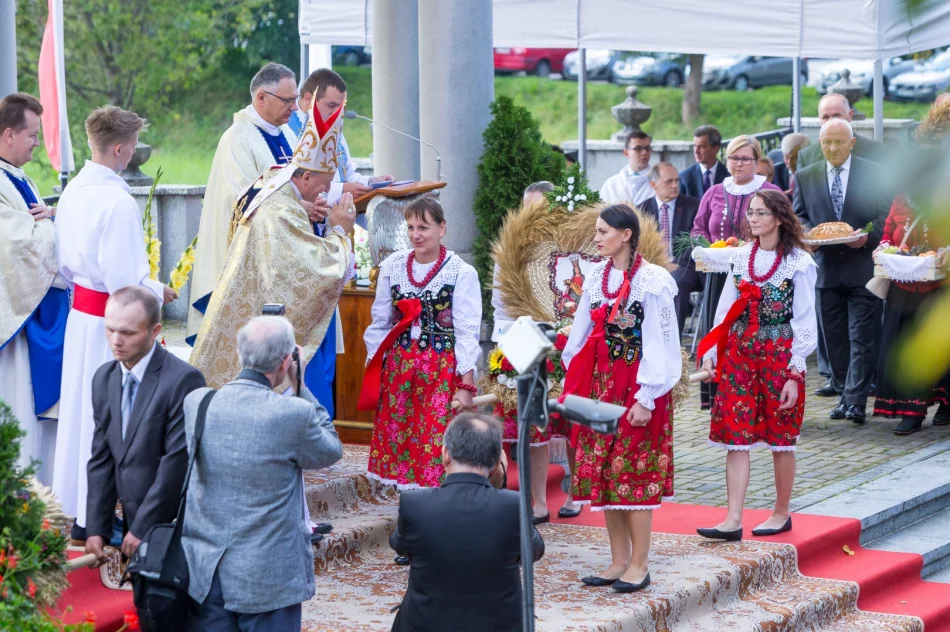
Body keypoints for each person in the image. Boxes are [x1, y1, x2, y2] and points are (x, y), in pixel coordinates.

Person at [54, 106, 173, 541]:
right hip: (112, 322)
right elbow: (124, 281)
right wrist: (159, 292)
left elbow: (66, 267)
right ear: (121, 148)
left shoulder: (73, 190)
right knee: (112, 417)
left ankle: (80, 509)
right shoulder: (117, 200)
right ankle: (98, 516)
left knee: (82, 414)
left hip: (82, 316)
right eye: (134, 146)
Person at [183, 316, 343, 632]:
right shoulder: (292, 413)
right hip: (267, 576)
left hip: (206, 569)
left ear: (241, 355)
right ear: (287, 362)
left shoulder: (197, 403)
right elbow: (331, 449)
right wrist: (300, 386)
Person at [189, 96, 355, 390]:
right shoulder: (279, 210)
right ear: (304, 176)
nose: (326, 190)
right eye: (324, 183)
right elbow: (313, 269)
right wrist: (340, 232)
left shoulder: (275, 183)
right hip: (263, 320)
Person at [561, 204, 681, 593]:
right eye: (596, 231)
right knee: (606, 473)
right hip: (600, 385)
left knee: (633, 474)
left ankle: (640, 564)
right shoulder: (596, 277)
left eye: (602, 231)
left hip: (637, 388)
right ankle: (617, 559)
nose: (596, 238)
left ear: (625, 234)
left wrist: (647, 396)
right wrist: (573, 374)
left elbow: (663, 343)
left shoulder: (653, 280)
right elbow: (581, 330)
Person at [697, 190, 817, 541]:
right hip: (740, 351)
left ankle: (781, 513)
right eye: (750, 212)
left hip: (780, 353)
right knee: (736, 434)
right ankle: (733, 518)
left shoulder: (798, 262)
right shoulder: (740, 257)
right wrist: (713, 350)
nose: (752, 218)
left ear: (779, 218)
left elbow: (806, 320)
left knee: (782, 437)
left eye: (761, 212)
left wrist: (796, 372)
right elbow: (725, 307)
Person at [84, 288, 205, 597]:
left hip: (171, 526)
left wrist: (144, 528)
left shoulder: (182, 380)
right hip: (130, 525)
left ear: (155, 331)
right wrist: (96, 528)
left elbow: (175, 463)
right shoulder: (104, 378)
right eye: (110, 329)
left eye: (127, 332)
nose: (115, 340)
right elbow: (102, 459)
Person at [360, 197, 482, 489]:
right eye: (412, 227)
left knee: (434, 439)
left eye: (424, 227)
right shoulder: (393, 266)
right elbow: (380, 322)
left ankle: (437, 508)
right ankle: (409, 505)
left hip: (440, 369)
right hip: (400, 368)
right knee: (401, 438)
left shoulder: (461, 272)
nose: (416, 234)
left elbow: (467, 330)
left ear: (442, 228)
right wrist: (376, 364)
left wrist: (466, 384)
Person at [389, 413, 542, 632]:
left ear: (446, 455)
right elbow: (534, 552)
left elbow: (401, 546)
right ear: (496, 463)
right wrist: (500, 485)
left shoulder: (415, 503)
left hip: (426, 624)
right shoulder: (513, 505)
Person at [187, 62, 300, 344]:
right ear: (261, 97)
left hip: (281, 257)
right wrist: (301, 208)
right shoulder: (236, 140)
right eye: (288, 100)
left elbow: (299, 183)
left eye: (296, 99)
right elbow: (243, 202)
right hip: (248, 263)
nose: (295, 108)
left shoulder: (287, 134)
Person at [493, 181, 580, 522]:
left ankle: (576, 491)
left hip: (569, 341)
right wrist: (506, 352)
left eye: (543, 209)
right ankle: (539, 502)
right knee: (534, 427)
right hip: (526, 340)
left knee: (572, 420)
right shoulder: (510, 253)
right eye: (530, 209)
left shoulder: (574, 248)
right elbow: (500, 309)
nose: (536, 217)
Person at [793, 119, 890, 424]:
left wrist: (867, 238)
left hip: (861, 268)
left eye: (839, 142)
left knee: (862, 337)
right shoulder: (805, 176)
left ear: (852, 143)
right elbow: (798, 215)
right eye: (827, 143)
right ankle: (844, 394)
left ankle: (855, 402)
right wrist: (808, 236)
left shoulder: (873, 173)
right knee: (835, 341)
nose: (833, 148)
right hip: (824, 271)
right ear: (820, 144)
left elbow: (883, 215)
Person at [0, 93, 67, 484]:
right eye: (32, 135)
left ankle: (35, 483)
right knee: (16, 398)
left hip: (32, 311)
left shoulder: (18, 177)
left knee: (29, 398)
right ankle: (19, 483)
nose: (38, 143)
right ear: (9, 135)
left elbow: (38, 224)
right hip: (14, 317)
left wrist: (54, 217)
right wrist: (53, 226)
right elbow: (18, 242)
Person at [873, 102, 950, 435]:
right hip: (906, 287)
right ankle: (912, 413)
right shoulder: (903, 197)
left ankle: (947, 405)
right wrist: (884, 249)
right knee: (904, 347)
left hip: (940, 288)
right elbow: (890, 231)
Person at [691, 135, 782, 409]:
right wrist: (704, 247)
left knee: (752, 333)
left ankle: (757, 394)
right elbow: (698, 228)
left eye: (745, 159)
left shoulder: (770, 191)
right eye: (733, 158)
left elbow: (784, 227)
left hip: (758, 276)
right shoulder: (714, 192)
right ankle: (719, 393)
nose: (739, 164)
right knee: (721, 330)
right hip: (719, 275)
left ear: (757, 161)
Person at [296, 69, 392, 215]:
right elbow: (296, 186)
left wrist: (371, 181)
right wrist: (342, 189)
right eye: (332, 106)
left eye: (340, 108)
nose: (338, 114)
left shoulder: (335, 129)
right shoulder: (290, 131)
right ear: (309, 99)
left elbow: (347, 175)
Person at [640, 162, 703, 332]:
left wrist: (678, 263)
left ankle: (673, 341)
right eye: (669, 181)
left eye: (677, 180)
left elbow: (697, 240)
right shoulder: (642, 210)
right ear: (654, 185)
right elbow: (638, 245)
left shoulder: (693, 206)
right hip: (651, 266)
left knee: (677, 281)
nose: (675, 185)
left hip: (685, 266)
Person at [796, 93, 886, 170]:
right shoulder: (806, 157)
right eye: (826, 117)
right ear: (820, 119)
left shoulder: (877, 151)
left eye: (836, 115)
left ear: (850, 115)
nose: (831, 121)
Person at [599, 130, 655, 207]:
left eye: (647, 148)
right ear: (626, 153)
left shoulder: (661, 182)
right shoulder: (611, 185)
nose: (644, 152)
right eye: (638, 148)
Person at [679, 125, 729, 199]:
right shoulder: (685, 178)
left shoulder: (729, 176)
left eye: (702, 147)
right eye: (695, 146)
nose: (696, 151)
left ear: (716, 149)